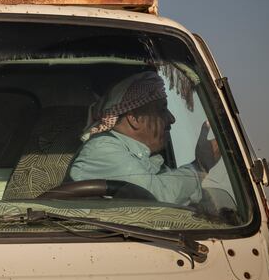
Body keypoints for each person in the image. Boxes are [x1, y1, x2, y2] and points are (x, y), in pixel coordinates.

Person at [67, 71, 220, 204]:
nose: (172, 118)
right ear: (134, 118)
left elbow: (180, 198)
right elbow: (158, 197)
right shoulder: (102, 148)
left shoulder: (144, 157)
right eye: (162, 110)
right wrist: (200, 166)